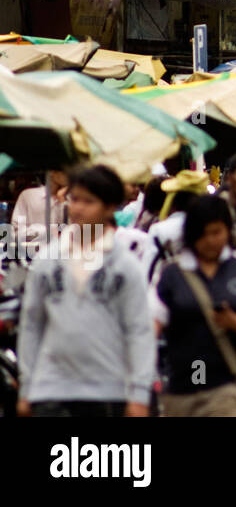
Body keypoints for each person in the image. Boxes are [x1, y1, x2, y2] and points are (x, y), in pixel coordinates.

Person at [17, 165, 153, 418]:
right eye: (75, 199)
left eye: (88, 201)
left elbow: (139, 330)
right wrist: (27, 387)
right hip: (51, 389)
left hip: (109, 390)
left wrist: (139, 393)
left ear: (110, 207)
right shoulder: (48, 259)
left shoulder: (125, 264)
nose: (77, 208)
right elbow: (32, 324)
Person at [152, 195, 236, 416]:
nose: (210, 241)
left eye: (216, 232)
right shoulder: (172, 275)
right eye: (203, 234)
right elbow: (151, 326)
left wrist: (234, 322)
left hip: (228, 388)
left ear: (228, 231)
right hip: (182, 391)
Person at [10, 169, 68, 252]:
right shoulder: (29, 196)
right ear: (52, 172)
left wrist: (63, 203)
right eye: (64, 171)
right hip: (33, 254)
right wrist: (48, 232)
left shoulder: (73, 199)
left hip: (66, 254)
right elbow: (17, 232)